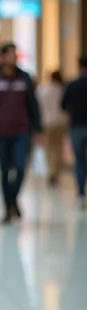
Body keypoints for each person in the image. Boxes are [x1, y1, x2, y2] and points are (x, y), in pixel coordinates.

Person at [0, 42, 42, 224]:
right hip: (0, 132)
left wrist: (38, 129)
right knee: (5, 170)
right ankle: (7, 207)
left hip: (22, 131)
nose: (14, 57)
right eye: (11, 54)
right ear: (2, 57)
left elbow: (33, 104)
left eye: (15, 54)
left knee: (20, 168)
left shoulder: (25, 78)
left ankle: (13, 199)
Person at [61, 56, 87, 209]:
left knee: (79, 160)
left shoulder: (72, 85)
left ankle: (81, 193)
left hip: (76, 126)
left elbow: (63, 105)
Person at [36, 70, 68, 186]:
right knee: (58, 147)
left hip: (46, 122)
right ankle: (56, 171)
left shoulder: (42, 90)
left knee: (48, 148)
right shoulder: (62, 90)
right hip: (60, 122)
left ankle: (51, 171)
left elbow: (37, 106)